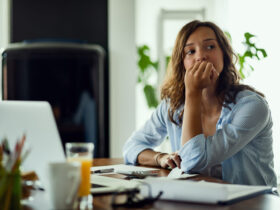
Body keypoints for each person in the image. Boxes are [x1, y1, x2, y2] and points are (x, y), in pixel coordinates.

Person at [123, 20, 277, 187]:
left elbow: (193, 161)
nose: (201, 56)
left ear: (224, 54)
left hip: (251, 203)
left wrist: (193, 93)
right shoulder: (172, 106)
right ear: (182, 62)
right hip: (200, 200)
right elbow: (132, 147)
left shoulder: (252, 107)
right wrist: (160, 158)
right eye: (190, 51)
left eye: (210, 47)